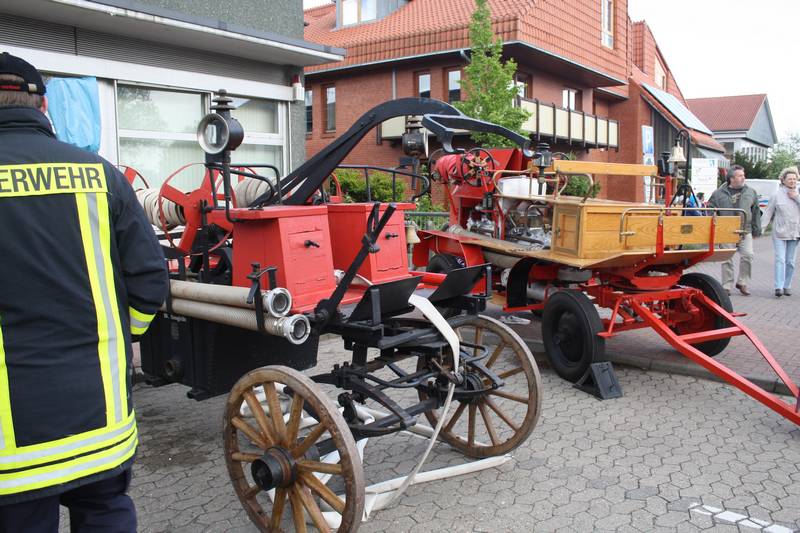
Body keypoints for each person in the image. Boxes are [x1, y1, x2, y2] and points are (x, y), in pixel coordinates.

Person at [0, 53, 168, 532]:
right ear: (44, 104)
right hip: (103, 427)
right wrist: (125, 335)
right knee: (106, 515)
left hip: (13, 450)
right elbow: (151, 279)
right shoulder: (99, 174)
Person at [707, 164, 762, 295]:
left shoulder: (750, 192)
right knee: (727, 258)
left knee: (748, 256)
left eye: (743, 175)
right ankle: (726, 285)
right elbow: (710, 210)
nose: (744, 178)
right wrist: (716, 228)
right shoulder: (718, 193)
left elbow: (755, 212)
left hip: (745, 230)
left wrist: (756, 229)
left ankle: (742, 282)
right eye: (740, 175)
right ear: (731, 178)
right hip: (726, 231)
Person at [761, 167, 800, 297]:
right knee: (780, 259)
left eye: (794, 179)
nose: (792, 181)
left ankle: (787, 285)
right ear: (783, 180)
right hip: (779, 232)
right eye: (789, 179)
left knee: (790, 261)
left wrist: (796, 198)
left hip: (795, 232)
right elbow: (768, 212)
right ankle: (778, 287)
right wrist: (761, 228)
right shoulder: (776, 195)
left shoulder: (799, 193)